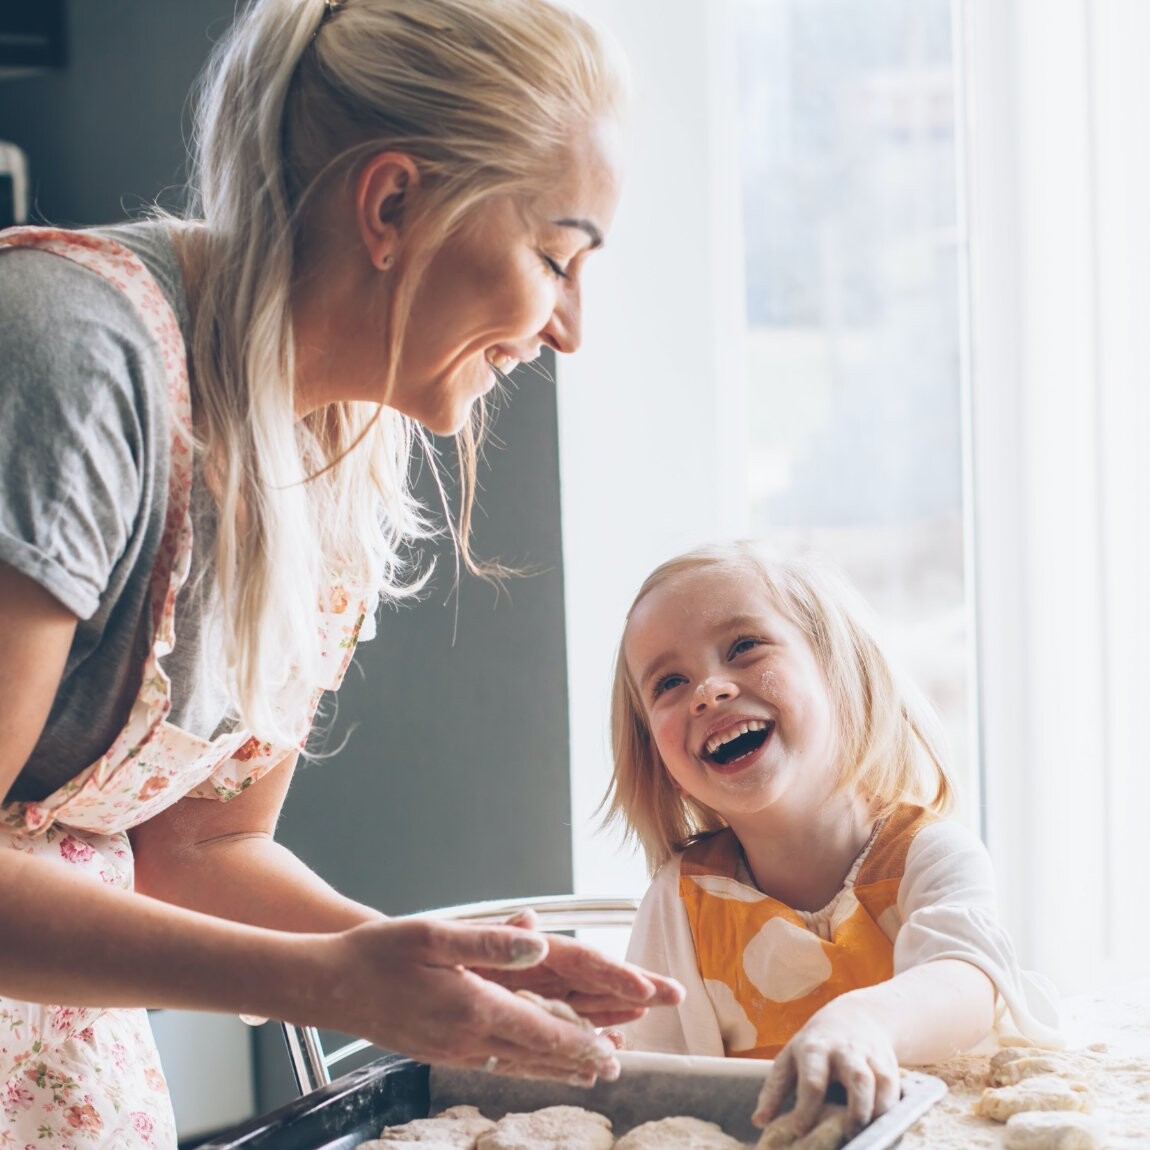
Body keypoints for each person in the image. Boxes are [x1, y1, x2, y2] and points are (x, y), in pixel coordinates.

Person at [0, 0, 684, 1144]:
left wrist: (430, 978)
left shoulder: (337, 452)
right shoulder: (71, 361)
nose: (571, 330)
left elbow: (201, 844)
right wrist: (328, 984)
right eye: (556, 258)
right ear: (393, 203)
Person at [602, 541, 1062, 1139]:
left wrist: (862, 1021)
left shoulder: (929, 856)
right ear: (654, 754)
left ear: (836, 669)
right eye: (669, 681)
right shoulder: (679, 905)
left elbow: (966, 980)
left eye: (743, 647)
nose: (709, 690)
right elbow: (659, 1096)